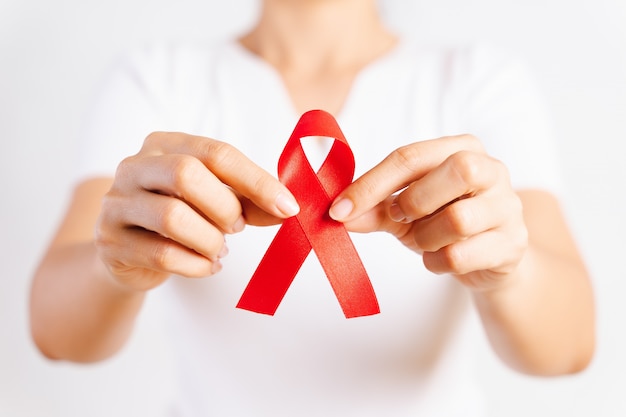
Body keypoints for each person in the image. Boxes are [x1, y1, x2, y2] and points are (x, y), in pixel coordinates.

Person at [30, 0, 595, 415]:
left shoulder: (479, 81)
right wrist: (117, 269)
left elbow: (567, 351)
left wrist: (507, 273)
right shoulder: (157, 80)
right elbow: (56, 337)